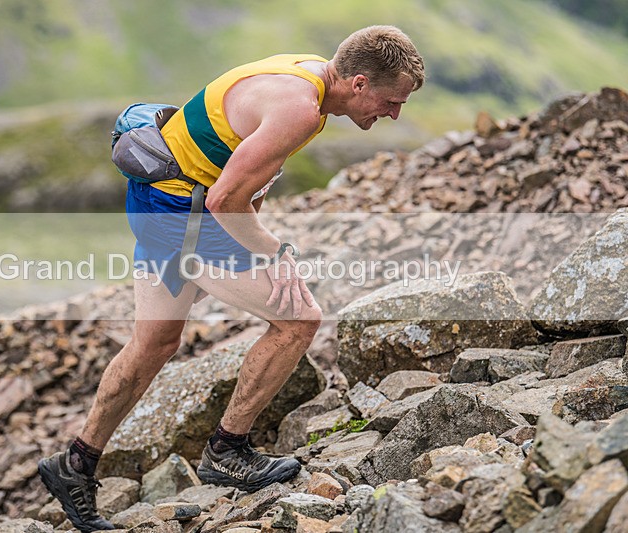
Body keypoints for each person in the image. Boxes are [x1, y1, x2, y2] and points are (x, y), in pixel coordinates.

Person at [38, 25, 424, 531]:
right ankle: (227, 450)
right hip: (185, 212)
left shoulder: (306, 73)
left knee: (153, 344)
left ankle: (74, 466)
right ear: (357, 84)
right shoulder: (300, 111)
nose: (394, 114)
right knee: (300, 319)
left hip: (160, 200)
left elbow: (241, 171)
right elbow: (225, 200)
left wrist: (257, 243)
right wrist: (278, 253)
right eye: (391, 102)